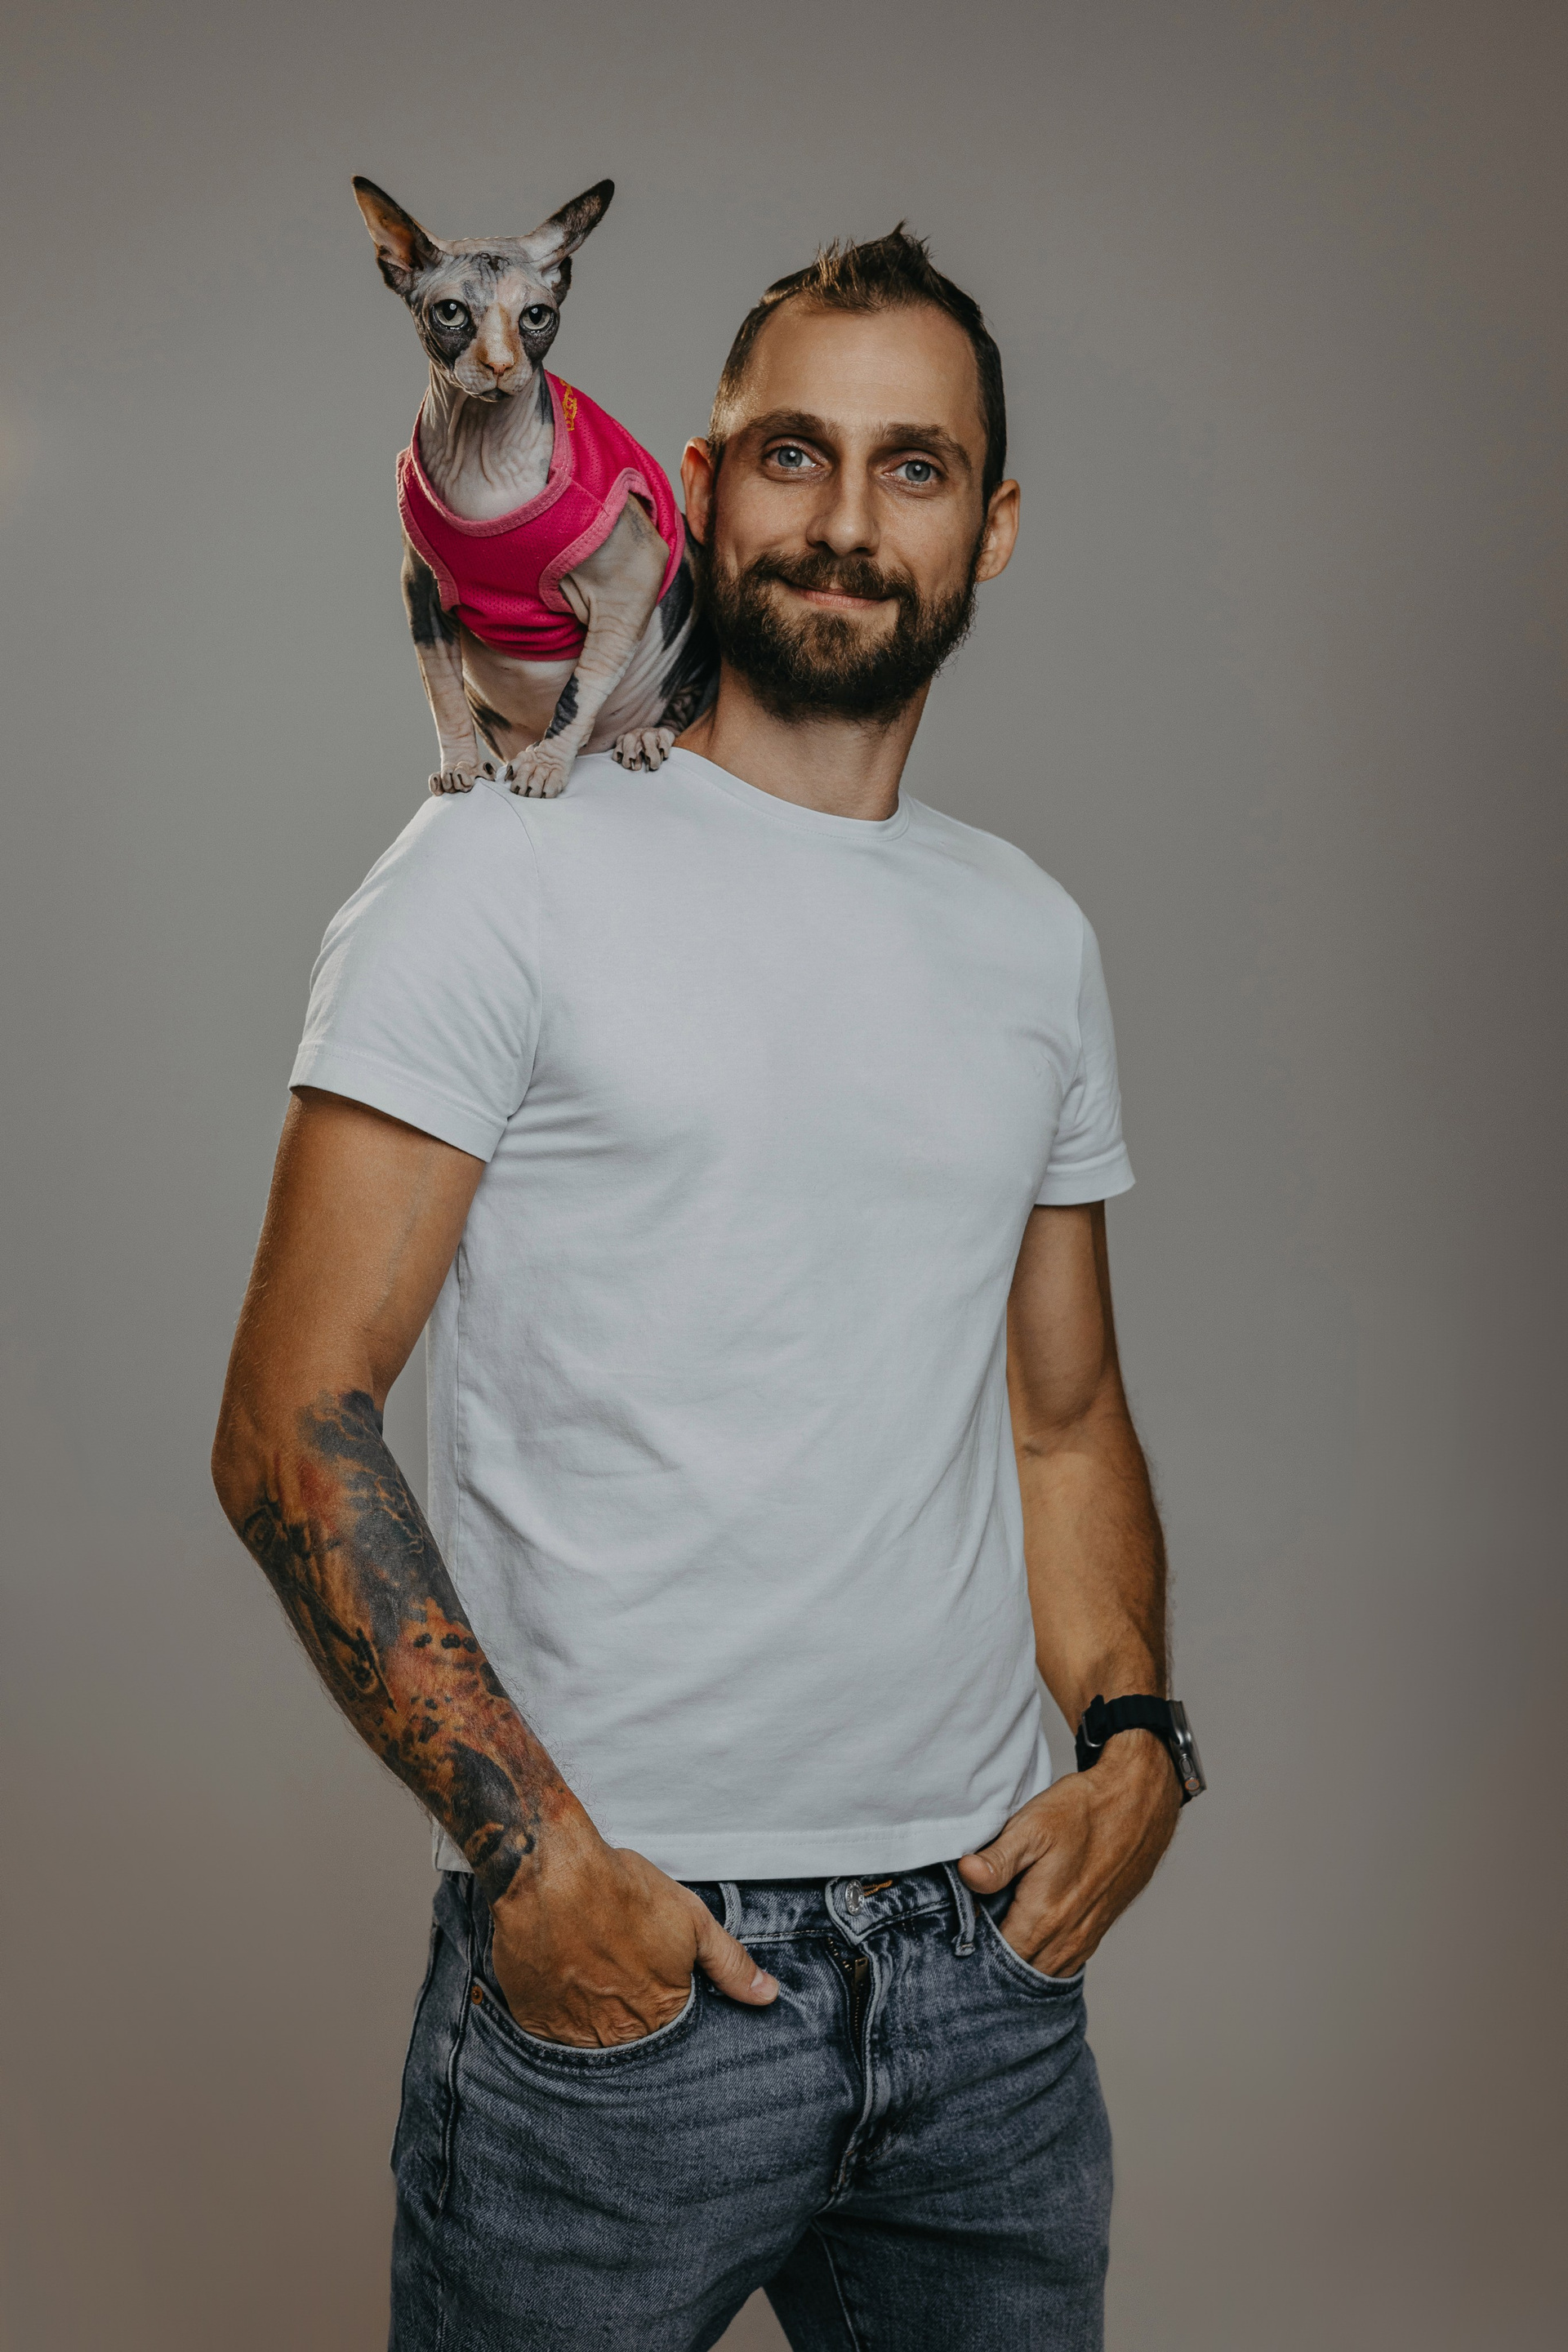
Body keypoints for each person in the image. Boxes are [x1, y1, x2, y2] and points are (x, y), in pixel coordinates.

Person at [212, 226, 1197, 2352]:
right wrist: (535, 1861)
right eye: (793, 454)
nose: (845, 521)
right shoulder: (499, 868)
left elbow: (1061, 1419)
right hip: (632, 1979)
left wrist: (1135, 1738)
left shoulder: (1032, 938)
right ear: (696, 481)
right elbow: (292, 1416)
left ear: (992, 527)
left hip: (986, 1979)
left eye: (915, 468)